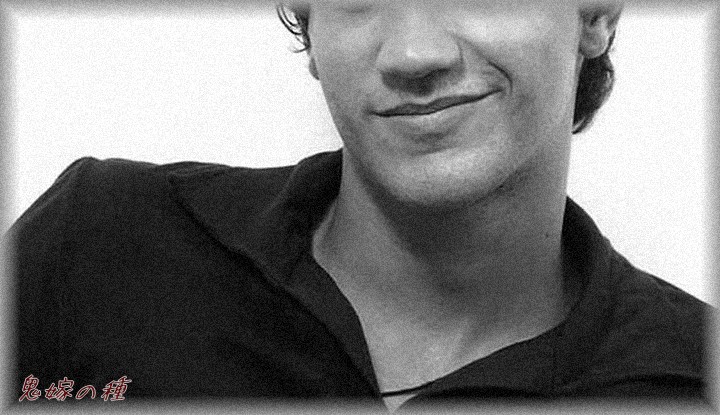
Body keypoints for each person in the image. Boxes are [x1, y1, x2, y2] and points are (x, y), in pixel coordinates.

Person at [10, 0, 710, 412]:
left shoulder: (690, 378)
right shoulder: (101, 244)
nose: (413, 52)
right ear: (311, 30)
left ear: (595, 14)